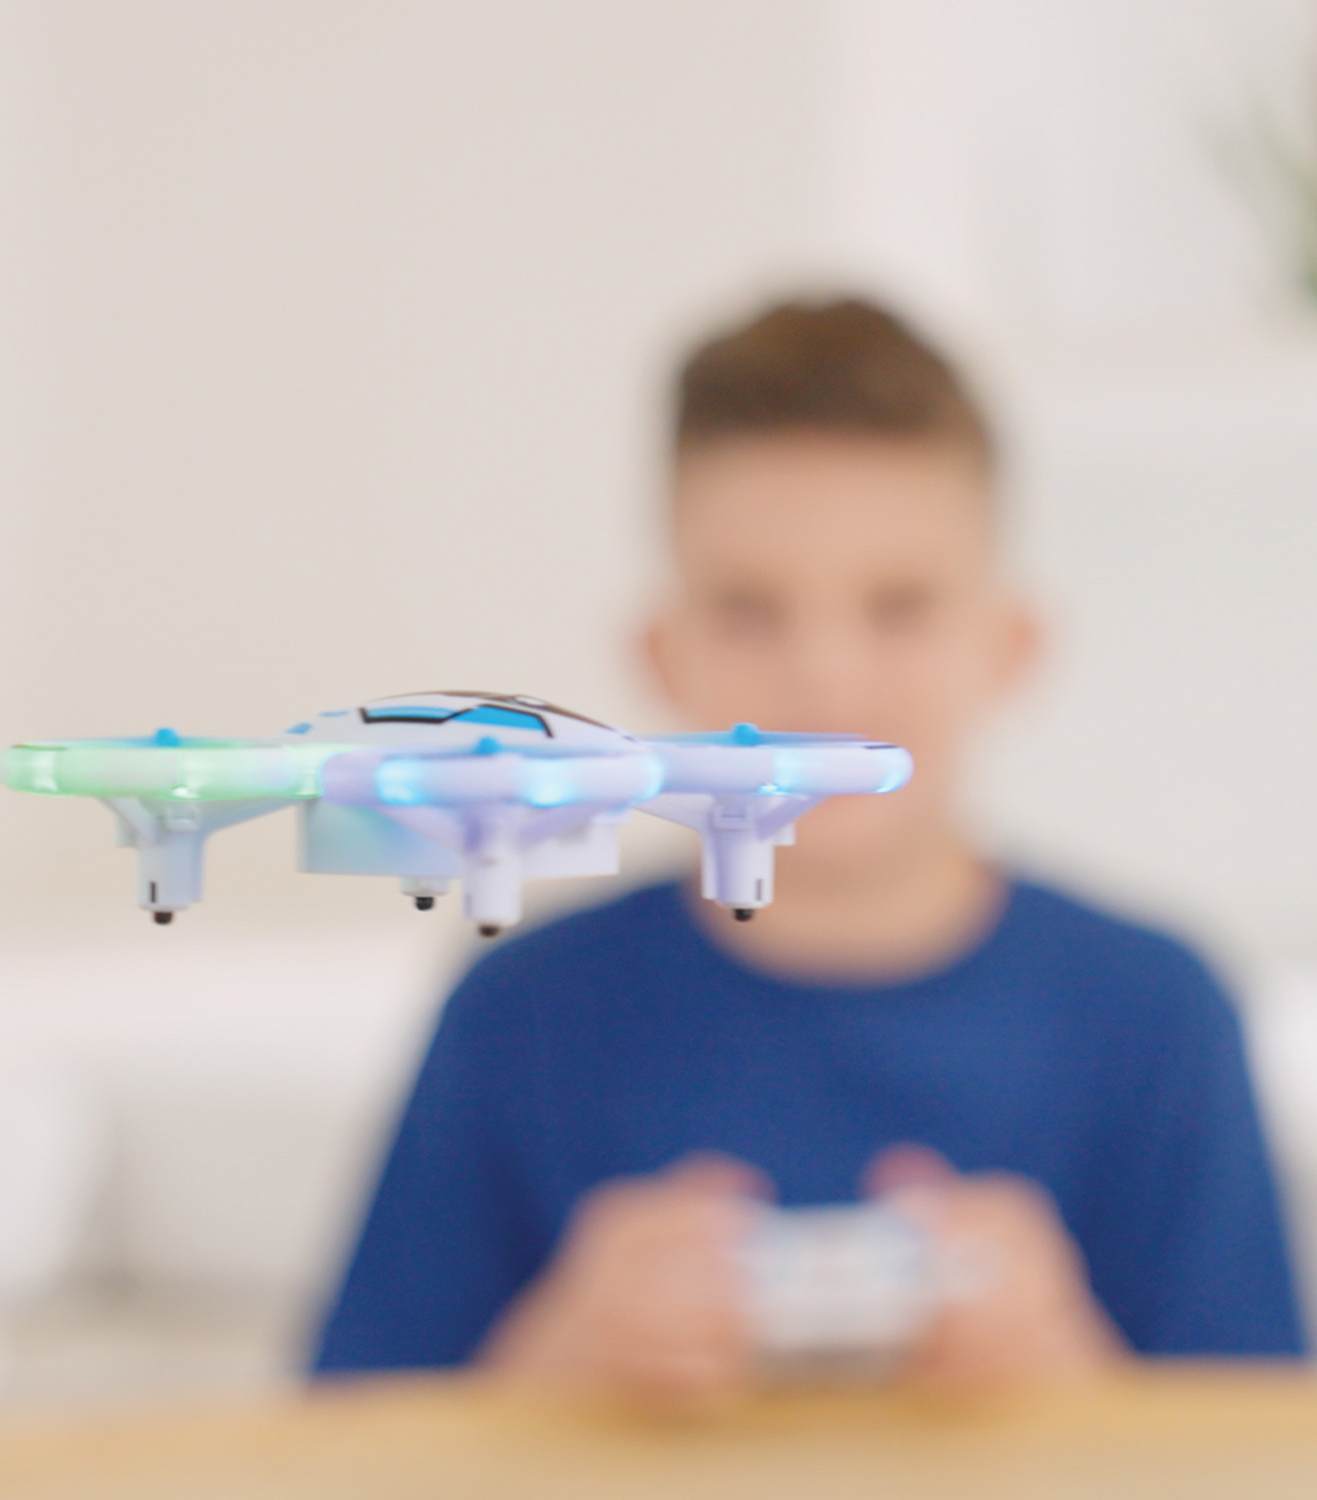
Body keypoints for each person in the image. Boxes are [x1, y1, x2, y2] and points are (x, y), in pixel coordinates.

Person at [313, 299, 1306, 1403]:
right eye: (750, 611)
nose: (827, 677)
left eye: (900, 607)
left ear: (1011, 646)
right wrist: (550, 1362)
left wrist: (1073, 1376)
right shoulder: (517, 1018)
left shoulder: (1158, 1018)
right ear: (662, 654)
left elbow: (1264, 1456)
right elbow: (331, 1448)